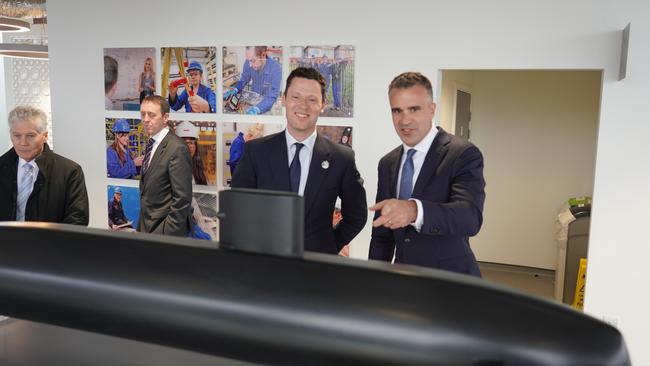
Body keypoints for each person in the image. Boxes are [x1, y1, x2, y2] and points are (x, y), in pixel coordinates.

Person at [231, 67, 367, 254]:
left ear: (322, 104)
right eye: (296, 97)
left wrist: (328, 245)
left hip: (317, 270)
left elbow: (357, 216)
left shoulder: (341, 159)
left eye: (312, 99)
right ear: (284, 99)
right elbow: (238, 209)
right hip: (265, 266)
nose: (303, 106)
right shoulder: (256, 152)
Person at [368, 72, 486, 276]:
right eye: (397, 111)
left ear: (432, 109)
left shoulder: (463, 154)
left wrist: (414, 211)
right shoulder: (387, 163)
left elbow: (470, 217)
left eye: (414, 109)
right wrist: (375, 279)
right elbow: (382, 235)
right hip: (403, 281)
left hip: (452, 281)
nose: (405, 120)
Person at [0, 105, 89, 225]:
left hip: (51, 243)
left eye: (30, 136)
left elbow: (78, 219)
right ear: (10, 134)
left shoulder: (70, 171)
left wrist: (47, 242)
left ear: (45, 136)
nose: (23, 142)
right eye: (17, 135)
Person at [137, 95, 192, 236]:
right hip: (146, 228)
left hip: (164, 233)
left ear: (165, 117)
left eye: (151, 115)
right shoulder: (151, 144)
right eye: (143, 114)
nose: (146, 119)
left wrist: (165, 234)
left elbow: (182, 199)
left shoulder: (177, 148)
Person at [223, 46, 282, 115]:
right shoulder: (248, 62)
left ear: (263, 55)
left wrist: (257, 109)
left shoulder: (275, 68)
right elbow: (244, 79)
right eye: (249, 60)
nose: (250, 65)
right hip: (253, 101)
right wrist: (235, 89)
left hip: (267, 105)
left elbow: (272, 96)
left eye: (253, 61)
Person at [175, 121, 208, 185]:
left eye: (191, 143)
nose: (188, 146)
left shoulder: (198, 170)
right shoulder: (170, 169)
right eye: (184, 142)